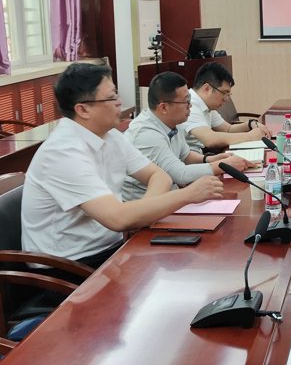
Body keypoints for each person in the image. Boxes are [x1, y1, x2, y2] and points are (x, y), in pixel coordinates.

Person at [21, 63, 224, 270]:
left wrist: (145, 214)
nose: (120, 102)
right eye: (111, 97)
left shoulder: (110, 136)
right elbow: (117, 218)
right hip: (69, 265)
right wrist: (188, 194)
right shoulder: (63, 152)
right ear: (83, 109)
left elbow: (159, 176)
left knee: (195, 260)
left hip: (112, 249)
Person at [122, 71, 253, 201]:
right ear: (163, 108)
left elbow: (185, 155)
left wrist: (210, 159)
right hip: (146, 207)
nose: (190, 106)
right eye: (185, 102)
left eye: (189, 99)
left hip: (170, 196)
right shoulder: (146, 134)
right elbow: (181, 174)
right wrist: (221, 165)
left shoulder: (173, 121)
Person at [181, 62, 272, 152]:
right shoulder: (189, 105)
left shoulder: (206, 105)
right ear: (207, 89)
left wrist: (250, 124)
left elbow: (228, 129)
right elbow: (210, 139)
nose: (226, 99)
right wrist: (249, 136)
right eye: (224, 93)